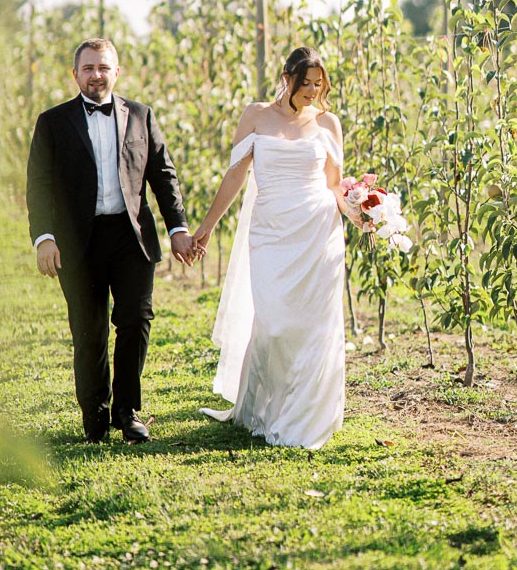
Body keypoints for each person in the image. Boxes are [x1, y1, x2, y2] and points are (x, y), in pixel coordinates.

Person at [27, 38, 195, 444]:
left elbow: (163, 174)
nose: (96, 75)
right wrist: (44, 238)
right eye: (88, 68)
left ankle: (127, 411)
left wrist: (178, 229)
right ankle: (95, 415)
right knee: (89, 330)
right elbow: (39, 184)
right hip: (76, 241)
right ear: (75, 75)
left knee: (136, 319)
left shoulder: (141, 115)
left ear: (117, 72)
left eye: (103, 67)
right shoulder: (53, 122)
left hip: (130, 236)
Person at [192, 47, 355, 449]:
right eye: (306, 84)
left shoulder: (328, 123)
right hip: (270, 232)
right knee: (275, 322)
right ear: (287, 78)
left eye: (319, 85)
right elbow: (235, 175)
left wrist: (363, 215)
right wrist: (207, 227)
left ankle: (306, 415)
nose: (313, 92)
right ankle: (266, 406)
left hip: (318, 232)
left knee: (314, 326)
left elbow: (335, 184)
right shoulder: (256, 115)